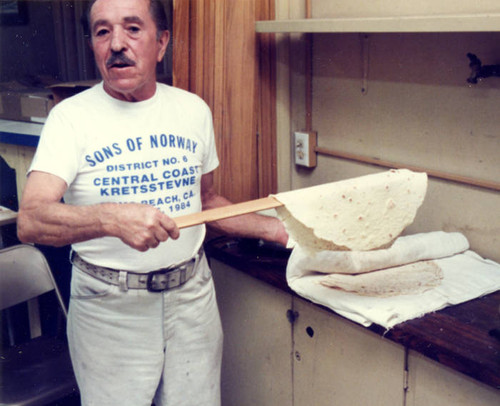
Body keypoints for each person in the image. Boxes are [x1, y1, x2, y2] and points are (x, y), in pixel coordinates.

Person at [17, 0, 287, 405]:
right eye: (103, 31)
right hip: (110, 308)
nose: (117, 44)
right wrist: (111, 219)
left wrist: (276, 229)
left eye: (132, 29)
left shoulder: (192, 110)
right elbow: (32, 220)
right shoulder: (69, 119)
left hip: (192, 299)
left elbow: (206, 199)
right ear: (92, 44)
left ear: (162, 43)